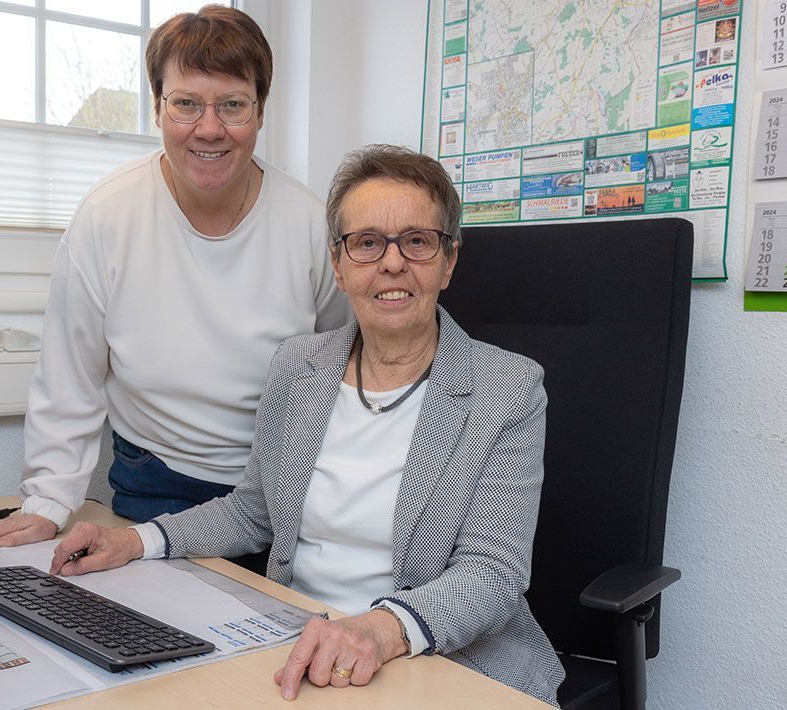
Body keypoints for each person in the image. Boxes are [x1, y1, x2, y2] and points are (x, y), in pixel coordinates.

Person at [45, 145, 565, 705]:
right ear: (338, 266)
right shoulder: (298, 368)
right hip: (296, 641)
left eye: (417, 241)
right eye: (367, 243)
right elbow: (252, 513)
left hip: (436, 655)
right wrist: (134, 541)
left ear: (448, 260)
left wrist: (379, 629)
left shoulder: (505, 387)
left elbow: (494, 572)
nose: (393, 263)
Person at [0, 7, 349, 548]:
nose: (210, 128)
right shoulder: (108, 216)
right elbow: (69, 376)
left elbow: (340, 365)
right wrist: (48, 503)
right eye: (186, 104)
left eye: (233, 105)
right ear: (157, 107)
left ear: (261, 111)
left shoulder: (312, 224)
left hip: (282, 485)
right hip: (157, 482)